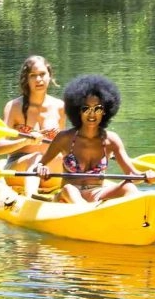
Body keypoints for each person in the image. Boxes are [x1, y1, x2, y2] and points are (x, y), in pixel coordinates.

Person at [37, 73, 145, 205]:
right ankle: (87, 212)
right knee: (69, 189)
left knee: (129, 187)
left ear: (105, 111)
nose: (92, 114)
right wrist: (42, 169)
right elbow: (40, 164)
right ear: (78, 111)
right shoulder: (64, 138)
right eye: (86, 108)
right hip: (68, 196)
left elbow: (133, 175)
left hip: (97, 193)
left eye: (98, 109)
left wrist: (146, 176)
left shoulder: (111, 140)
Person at [2, 54, 63, 166]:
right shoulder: (13, 107)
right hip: (20, 165)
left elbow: (62, 146)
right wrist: (25, 141)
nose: (38, 79)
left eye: (42, 74)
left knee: (62, 159)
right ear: (27, 79)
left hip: (48, 165)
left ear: (49, 76)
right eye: (33, 75)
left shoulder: (60, 107)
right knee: (36, 158)